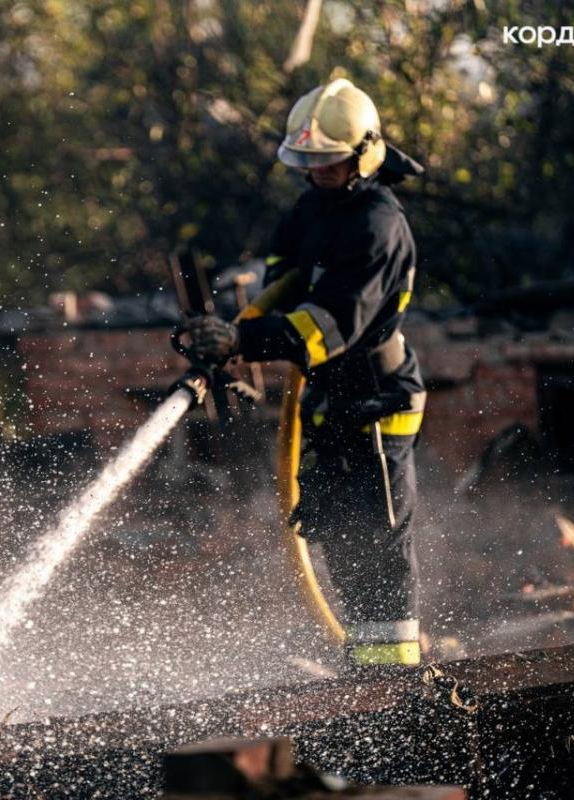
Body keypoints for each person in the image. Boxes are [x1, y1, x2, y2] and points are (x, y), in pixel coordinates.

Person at [184, 78, 427, 669]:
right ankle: (364, 666)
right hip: (330, 398)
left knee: (378, 539)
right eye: (311, 161)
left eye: (331, 161)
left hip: (374, 403)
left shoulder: (378, 225)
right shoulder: (314, 207)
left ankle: (394, 679)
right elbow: (284, 271)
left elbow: (326, 327)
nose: (318, 171)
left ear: (364, 153)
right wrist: (239, 326)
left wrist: (243, 338)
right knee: (340, 533)